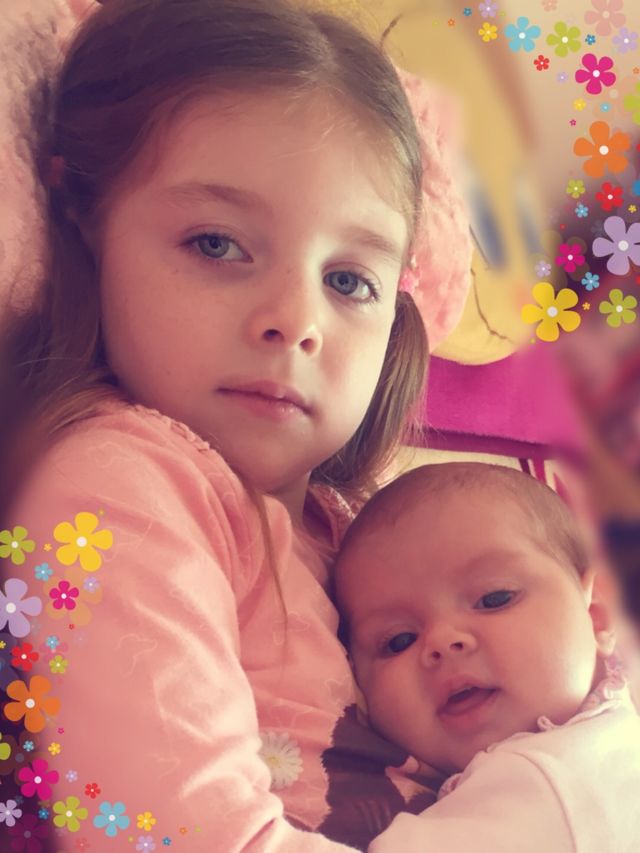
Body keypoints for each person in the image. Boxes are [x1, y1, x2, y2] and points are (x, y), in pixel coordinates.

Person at [0, 0, 466, 850]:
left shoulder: (354, 531)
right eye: (217, 244)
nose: (296, 320)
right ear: (86, 226)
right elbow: (175, 834)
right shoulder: (117, 485)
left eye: (349, 280)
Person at [334, 461, 640, 852]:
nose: (442, 641)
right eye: (399, 641)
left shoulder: (538, 778)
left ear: (596, 614)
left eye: (494, 599)